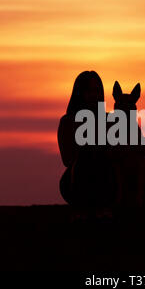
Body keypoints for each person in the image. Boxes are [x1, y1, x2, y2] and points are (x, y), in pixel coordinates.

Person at [57, 71, 116, 210]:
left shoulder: (112, 121)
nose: (93, 95)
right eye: (88, 91)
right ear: (79, 93)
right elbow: (67, 160)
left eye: (97, 90)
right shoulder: (68, 122)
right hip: (77, 181)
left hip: (108, 181)